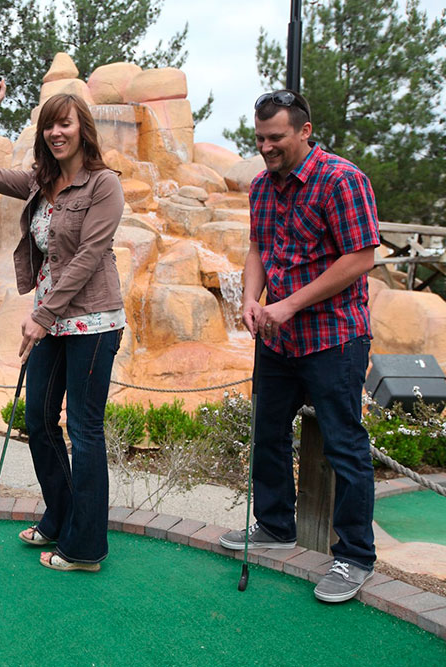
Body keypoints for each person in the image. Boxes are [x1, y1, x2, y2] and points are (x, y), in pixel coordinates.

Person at [217, 90, 380, 603]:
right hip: (277, 338)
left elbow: (360, 258)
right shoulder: (262, 187)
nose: (266, 147)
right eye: (260, 138)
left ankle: (354, 556)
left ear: (304, 131)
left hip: (334, 336)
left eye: (276, 138)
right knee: (267, 433)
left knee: (344, 446)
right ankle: (274, 525)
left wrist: (288, 305)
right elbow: (257, 248)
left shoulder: (343, 180)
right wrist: (250, 298)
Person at [0, 80, 126, 572]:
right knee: (37, 419)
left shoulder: (104, 184)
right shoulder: (40, 181)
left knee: (84, 429)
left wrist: (41, 314)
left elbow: (87, 257)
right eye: (50, 125)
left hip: (93, 322)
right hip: (51, 322)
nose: (57, 132)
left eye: (66, 122)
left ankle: (86, 548)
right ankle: (60, 516)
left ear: (83, 128)